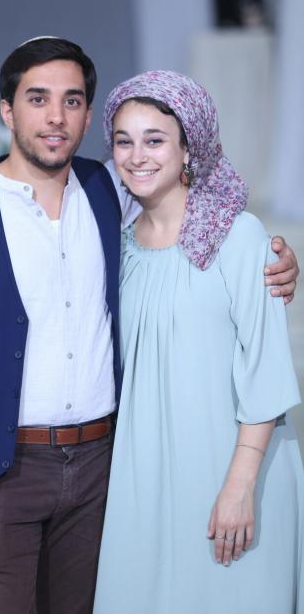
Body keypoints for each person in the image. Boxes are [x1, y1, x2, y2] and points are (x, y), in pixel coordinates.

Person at [0, 38, 299, 614]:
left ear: (87, 115)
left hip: (100, 471)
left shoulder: (110, 193)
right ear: (7, 110)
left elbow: (195, 217)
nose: (56, 117)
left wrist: (275, 263)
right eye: (38, 99)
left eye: (72, 101)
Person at [93, 70, 304, 614]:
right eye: (124, 141)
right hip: (146, 478)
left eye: (155, 140)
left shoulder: (239, 238)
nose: (137, 156)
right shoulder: (117, 248)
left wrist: (240, 486)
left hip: (236, 472)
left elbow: (265, 369)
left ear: (190, 148)